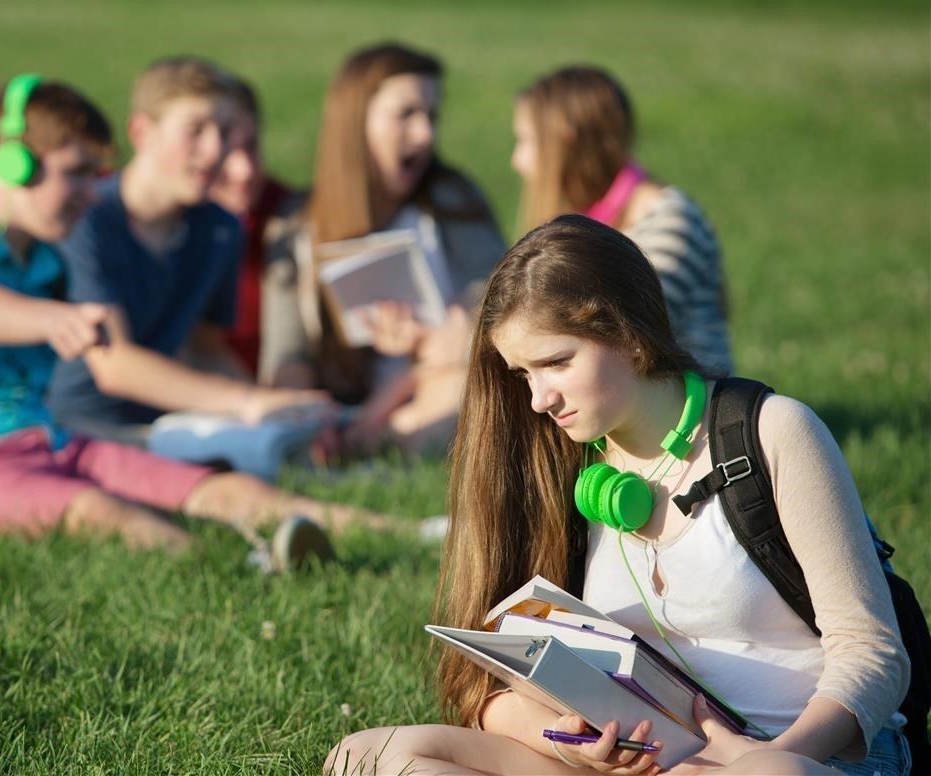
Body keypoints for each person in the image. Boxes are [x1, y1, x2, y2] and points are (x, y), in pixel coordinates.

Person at [327, 216, 910, 775]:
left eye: (556, 362)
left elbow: (874, 655)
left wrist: (762, 758)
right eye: (522, 373)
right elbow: (487, 692)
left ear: (629, 336)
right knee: (363, 757)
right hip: (654, 764)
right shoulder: (558, 460)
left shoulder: (772, 431)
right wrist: (568, 741)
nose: (538, 399)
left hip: (811, 757)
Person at [0, 75, 387, 564]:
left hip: (46, 439)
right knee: (98, 512)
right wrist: (52, 318)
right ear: (13, 164)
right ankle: (245, 574)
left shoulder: (44, 257)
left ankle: (416, 532)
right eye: (75, 173)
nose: (88, 192)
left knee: (215, 490)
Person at [45, 57, 326, 443]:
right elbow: (114, 365)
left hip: (167, 422)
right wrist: (244, 401)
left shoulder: (221, 229)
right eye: (196, 130)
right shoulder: (88, 218)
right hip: (72, 425)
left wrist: (279, 409)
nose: (215, 151)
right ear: (143, 132)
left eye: (226, 131)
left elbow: (205, 348)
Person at [260, 42, 507, 456]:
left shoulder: (452, 201)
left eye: (431, 116)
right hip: (342, 406)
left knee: (465, 390)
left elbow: (498, 301)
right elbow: (286, 354)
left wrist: (427, 346)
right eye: (406, 114)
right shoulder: (294, 226)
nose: (425, 134)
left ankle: (393, 438)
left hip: (443, 379)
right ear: (356, 123)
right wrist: (304, 416)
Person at [511, 65, 734, 377]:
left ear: (567, 142)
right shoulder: (579, 222)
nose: (516, 160)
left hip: (688, 407)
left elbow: (619, 333)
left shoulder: (669, 219)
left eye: (527, 141)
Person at [207, 73, 303, 380]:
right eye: (225, 150)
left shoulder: (289, 212)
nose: (244, 171)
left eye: (251, 147)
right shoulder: (164, 226)